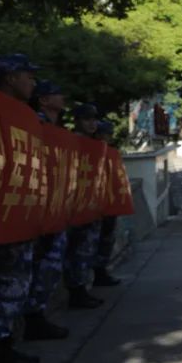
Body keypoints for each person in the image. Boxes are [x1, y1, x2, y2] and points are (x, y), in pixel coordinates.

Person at [0, 54, 43, 363]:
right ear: (11, 77)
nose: (33, 82)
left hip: (15, 217)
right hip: (5, 217)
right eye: (28, 76)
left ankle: (5, 345)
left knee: (14, 282)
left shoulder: (24, 116)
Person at [20, 77, 72, 341]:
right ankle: (31, 320)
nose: (62, 98)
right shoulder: (35, 123)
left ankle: (37, 316)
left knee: (50, 264)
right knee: (35, 266)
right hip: (36, 206)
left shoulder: (55, 127)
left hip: (53, 205)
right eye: (57, 93)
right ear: (43, 100)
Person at [64, 103, 105, 309]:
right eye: (87, 119)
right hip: (74, 207)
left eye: (94, 119)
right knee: (76, 251)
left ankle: (81, 290)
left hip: (91, 205)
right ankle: (76, 292)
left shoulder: (94, 144)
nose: (92, 123)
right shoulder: (71, 141)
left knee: (86, 250)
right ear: (78, 121)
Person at [91, 120, 122, 287]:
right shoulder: (90, 151)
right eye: (105, 134)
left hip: (108, 203)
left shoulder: (109, 152)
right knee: (91, 244)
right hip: (93, 205)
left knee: (106, 240)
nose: (108, 137)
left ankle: (101, 272)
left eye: (109, 134)